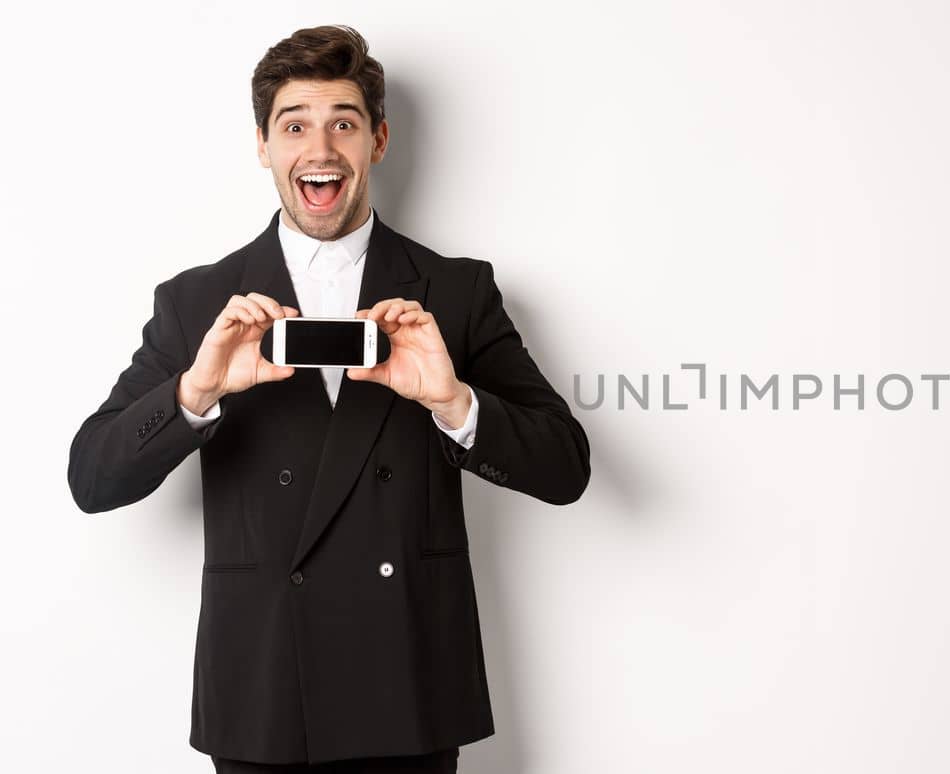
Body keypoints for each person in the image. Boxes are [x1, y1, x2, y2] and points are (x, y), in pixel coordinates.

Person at [65, 25, 591, 773]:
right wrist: (197, 391)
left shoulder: (456, 291)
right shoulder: (197, 302)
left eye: (343, 122)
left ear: (377, 140)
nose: (319, 148)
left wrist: (453, 403)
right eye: (295, 125)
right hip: (264, 691)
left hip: (409, 683)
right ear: (263, 145)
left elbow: (566, 468)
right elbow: (92, 477)